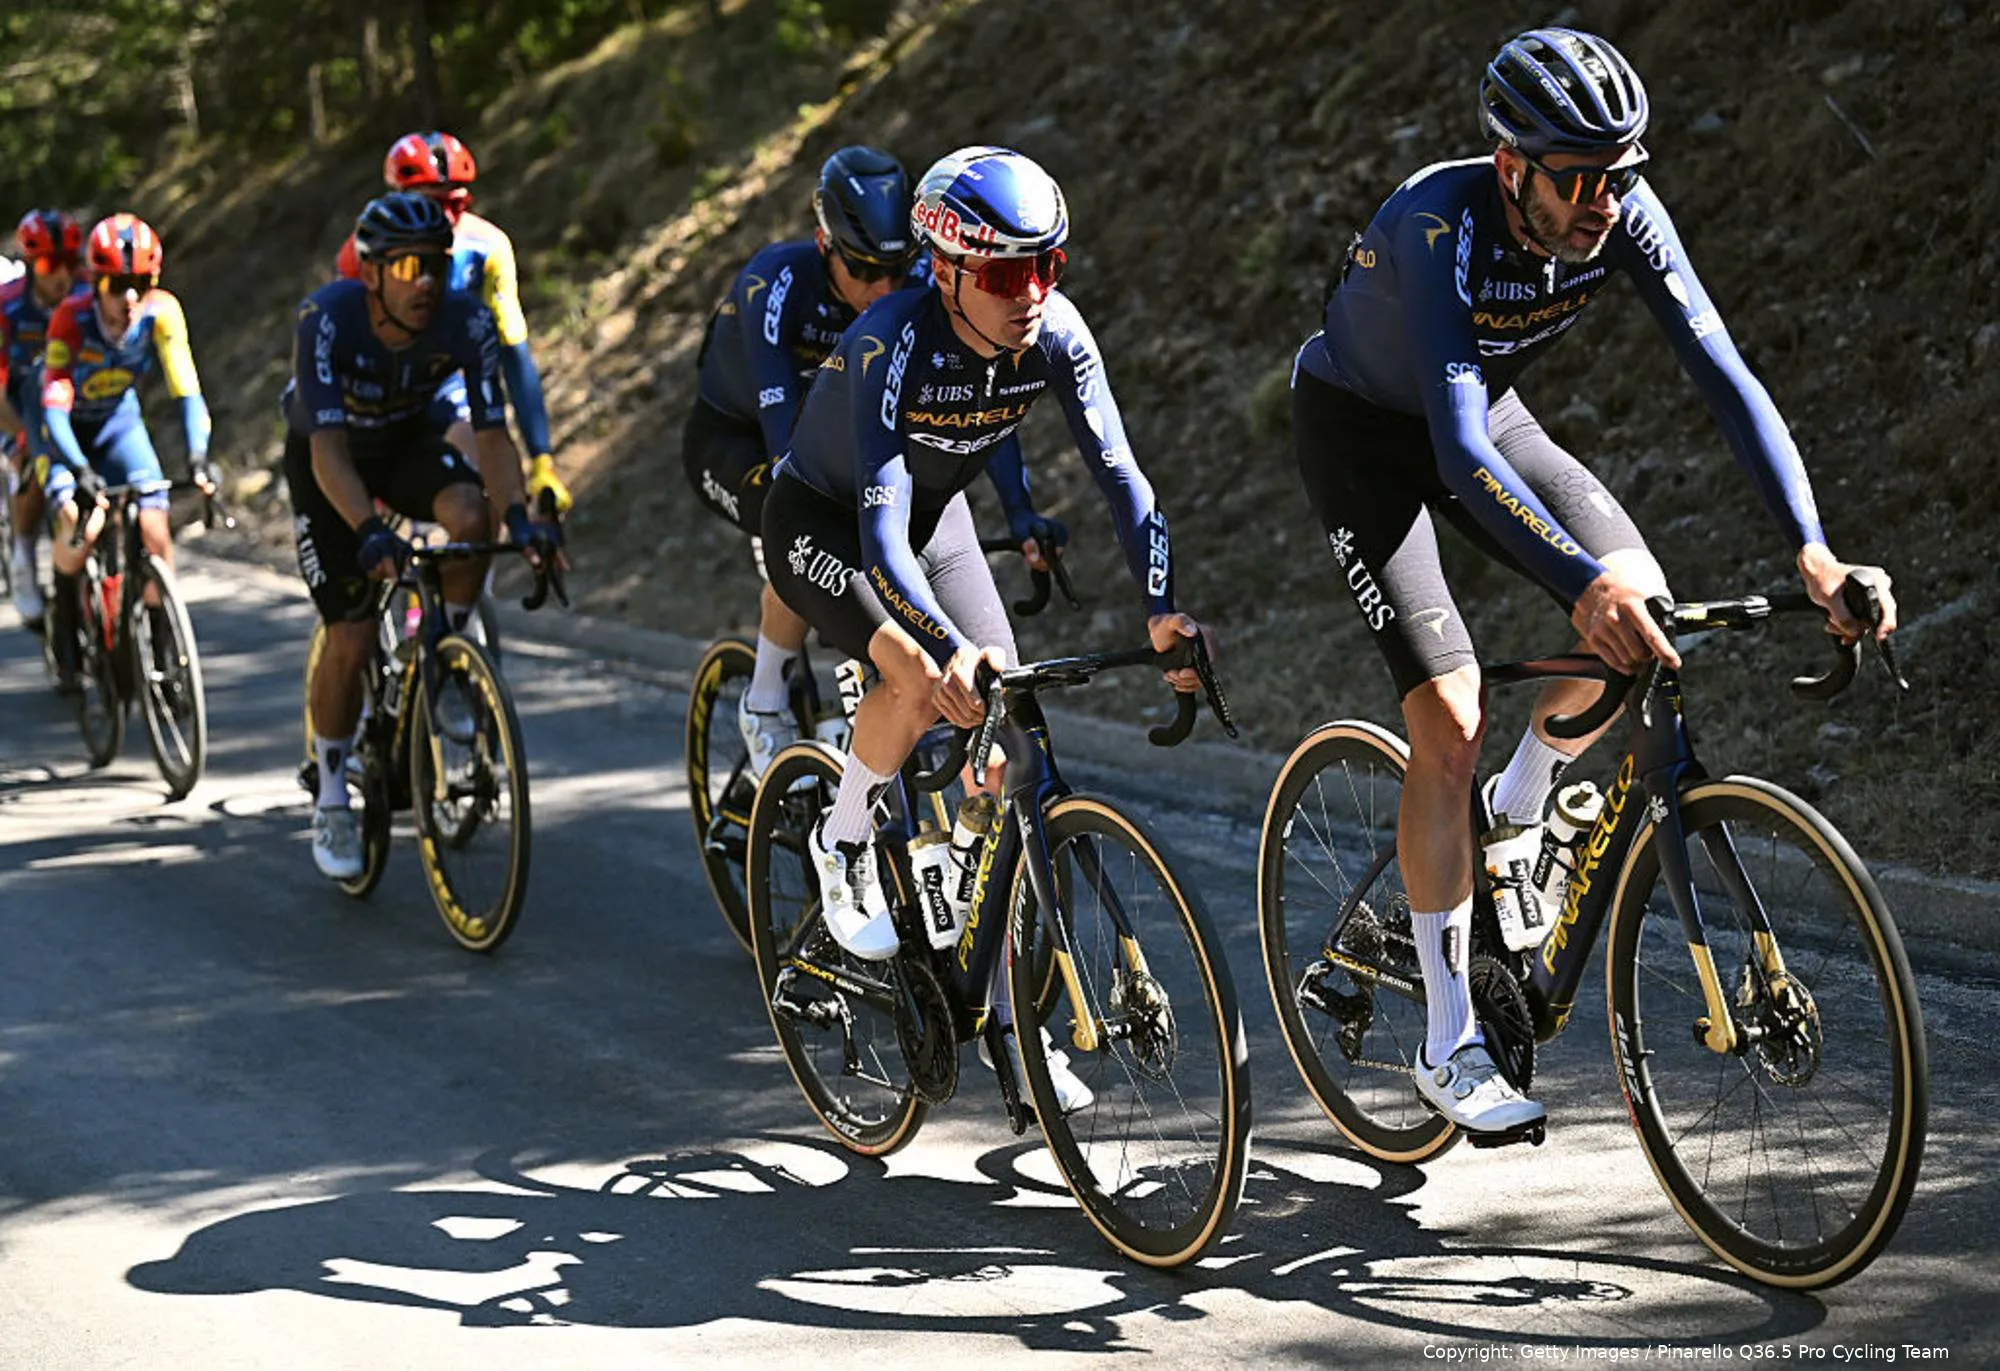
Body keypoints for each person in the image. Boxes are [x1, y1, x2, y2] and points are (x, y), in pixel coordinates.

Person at [1288, 27, 1897, 1135]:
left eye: (1620, 174)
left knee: (1641, 606)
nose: (1602, 201)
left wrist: (1813, 550)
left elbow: (1725, 377)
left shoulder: (1620, 213)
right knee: (1450, 714)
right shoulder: (1438, 222)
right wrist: (1577, 586)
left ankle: (1514, 813)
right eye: (1576, 179)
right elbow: (1456, 454)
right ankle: (1447, 1042)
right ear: (1511, 166)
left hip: (1485, 416)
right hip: (1367, 437)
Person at [764, 145, 1210, 1110]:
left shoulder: (1055, 333)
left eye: (1048, 265)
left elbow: (1123, 479)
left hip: (938, 518)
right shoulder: (891, 341)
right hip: (825, 520)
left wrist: (1161, 607)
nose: (1033, 293)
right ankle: (844, 837)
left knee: (1010, 737)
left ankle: (1009, 1015)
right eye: (1008, 275)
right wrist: (942, 648)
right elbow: (881, 539)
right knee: (916, 674)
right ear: (947, 269)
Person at [686, 144, 1062, 777]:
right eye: (863, 269)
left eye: (897, 267)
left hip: (835, 440)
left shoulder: (922, 296)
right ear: (823, 244)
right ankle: (764, 701)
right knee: (797, 529)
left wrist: (1020, 510)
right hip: (739, 438)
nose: (883, 288)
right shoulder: (774, 283)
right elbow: (781, 424)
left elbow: (983, 410)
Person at [287, 192, 560, 880]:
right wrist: (368, 529)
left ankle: (444, 652)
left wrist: (520, 519)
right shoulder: (327, 318)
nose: (426, 282)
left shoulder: (466, 318)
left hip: (405, 443)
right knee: (351, 635)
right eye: (407, 267)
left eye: (436, 264)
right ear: (371, 273)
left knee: (473, 517)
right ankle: (331, 794)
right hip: (331, 461)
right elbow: (327, 451)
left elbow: (492, 436)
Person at [335, 132, 570, 516]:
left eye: (454, 205)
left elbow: (514, 352)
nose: (444, 218)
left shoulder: (489, 246)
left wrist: (542, 460)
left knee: (487, 482)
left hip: (445, 385)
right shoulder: (361, 253)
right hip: (379, 392)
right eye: (429, 204)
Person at [40, 213, 216, 692]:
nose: (130, 297)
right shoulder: (71, 317)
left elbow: (187, 390)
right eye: (117, 285)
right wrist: (78, 469)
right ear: (96, 283)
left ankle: (164, 657)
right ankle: (64, 625)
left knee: (155, 529)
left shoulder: (162, 312)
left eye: (141, 283)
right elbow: (53, 407)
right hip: (68, 434)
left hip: (119, 426)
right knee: (80, 524)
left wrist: (198, 456)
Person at [0, 209, 87, 629]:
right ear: (31, 264)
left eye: (71, 262)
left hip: (71, 400)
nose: (63, 275)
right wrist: (22, 436)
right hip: (13, 404)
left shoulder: (88, 294)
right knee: (32, 469)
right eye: (52, 264)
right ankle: (22, 555)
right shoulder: (8, 306)